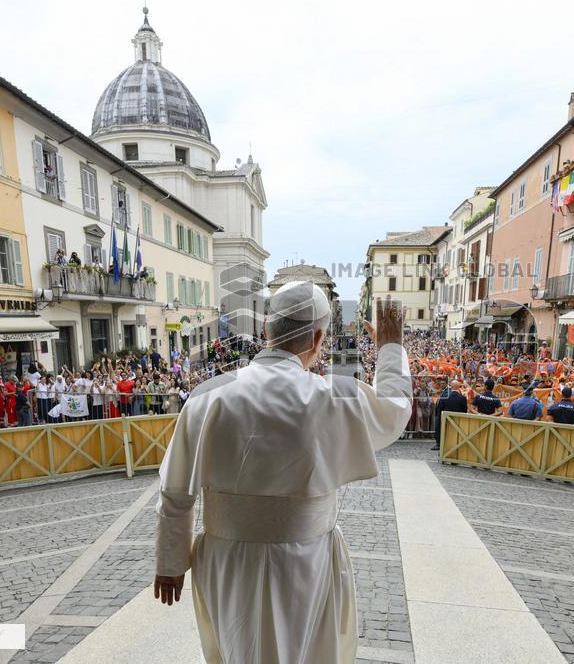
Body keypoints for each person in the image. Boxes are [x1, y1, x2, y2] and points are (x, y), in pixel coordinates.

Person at [154, 284, 412, 663]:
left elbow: (175, 491)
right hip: (304, 562)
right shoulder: (332, 394)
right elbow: (394, 409)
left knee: (236, 649)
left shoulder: (208, 393)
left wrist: (171, 563)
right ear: (319, 338)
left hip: (227, 562)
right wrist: (390, 348)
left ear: (265, 331)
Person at [433, 379, 469, 451]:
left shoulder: (445, 397)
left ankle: (444, 450)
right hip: (457, 422)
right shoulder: (463, 398)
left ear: (451, 386)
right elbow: (464, 412)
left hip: (445, 421)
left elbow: (439, 409)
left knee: (445, 436)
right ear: (459, 387)